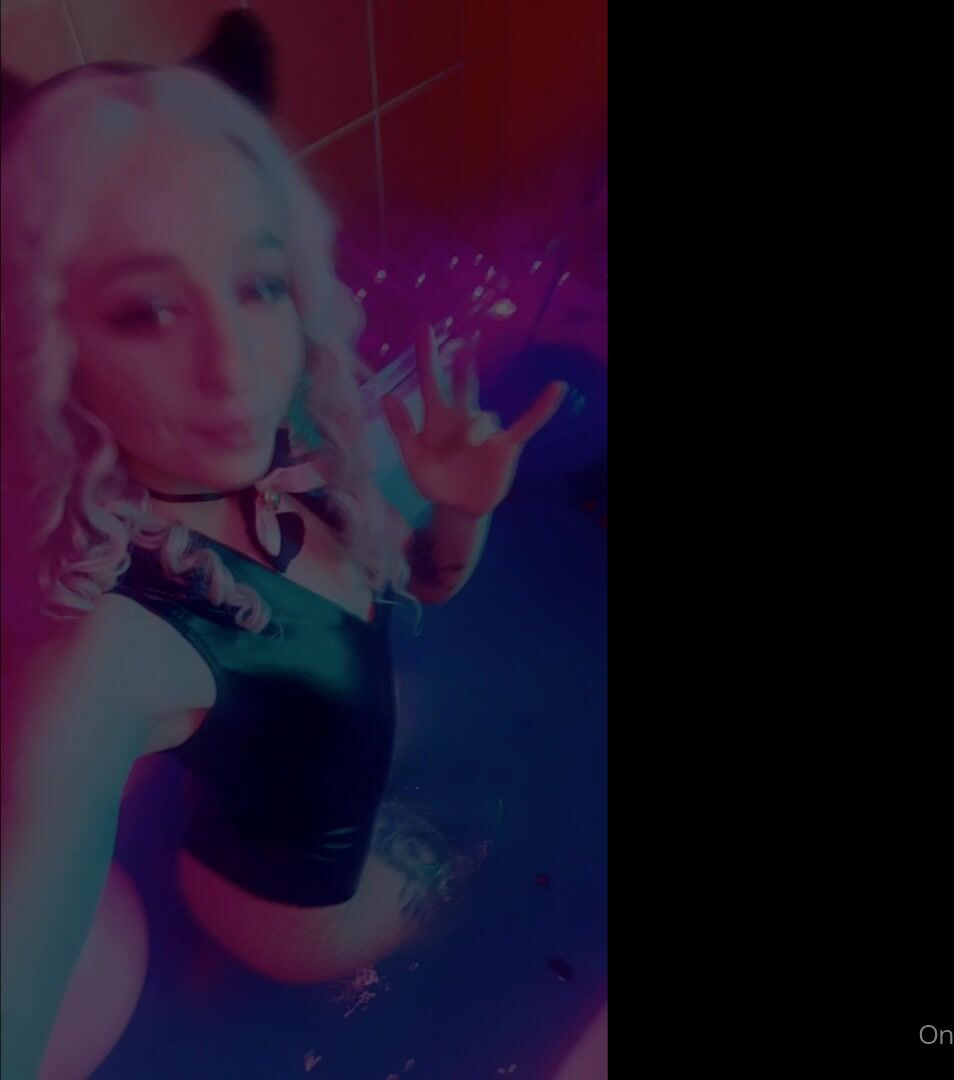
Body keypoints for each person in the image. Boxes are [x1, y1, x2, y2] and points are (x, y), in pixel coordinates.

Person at [0, 24, 565, 1079]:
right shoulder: (104, 660)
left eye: (254, 284)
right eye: (148, 311)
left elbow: (420, 586)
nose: (236, 366)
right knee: (512, 836)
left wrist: (459, 514)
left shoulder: (273, 447)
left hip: (272, 828)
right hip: (301, 927)